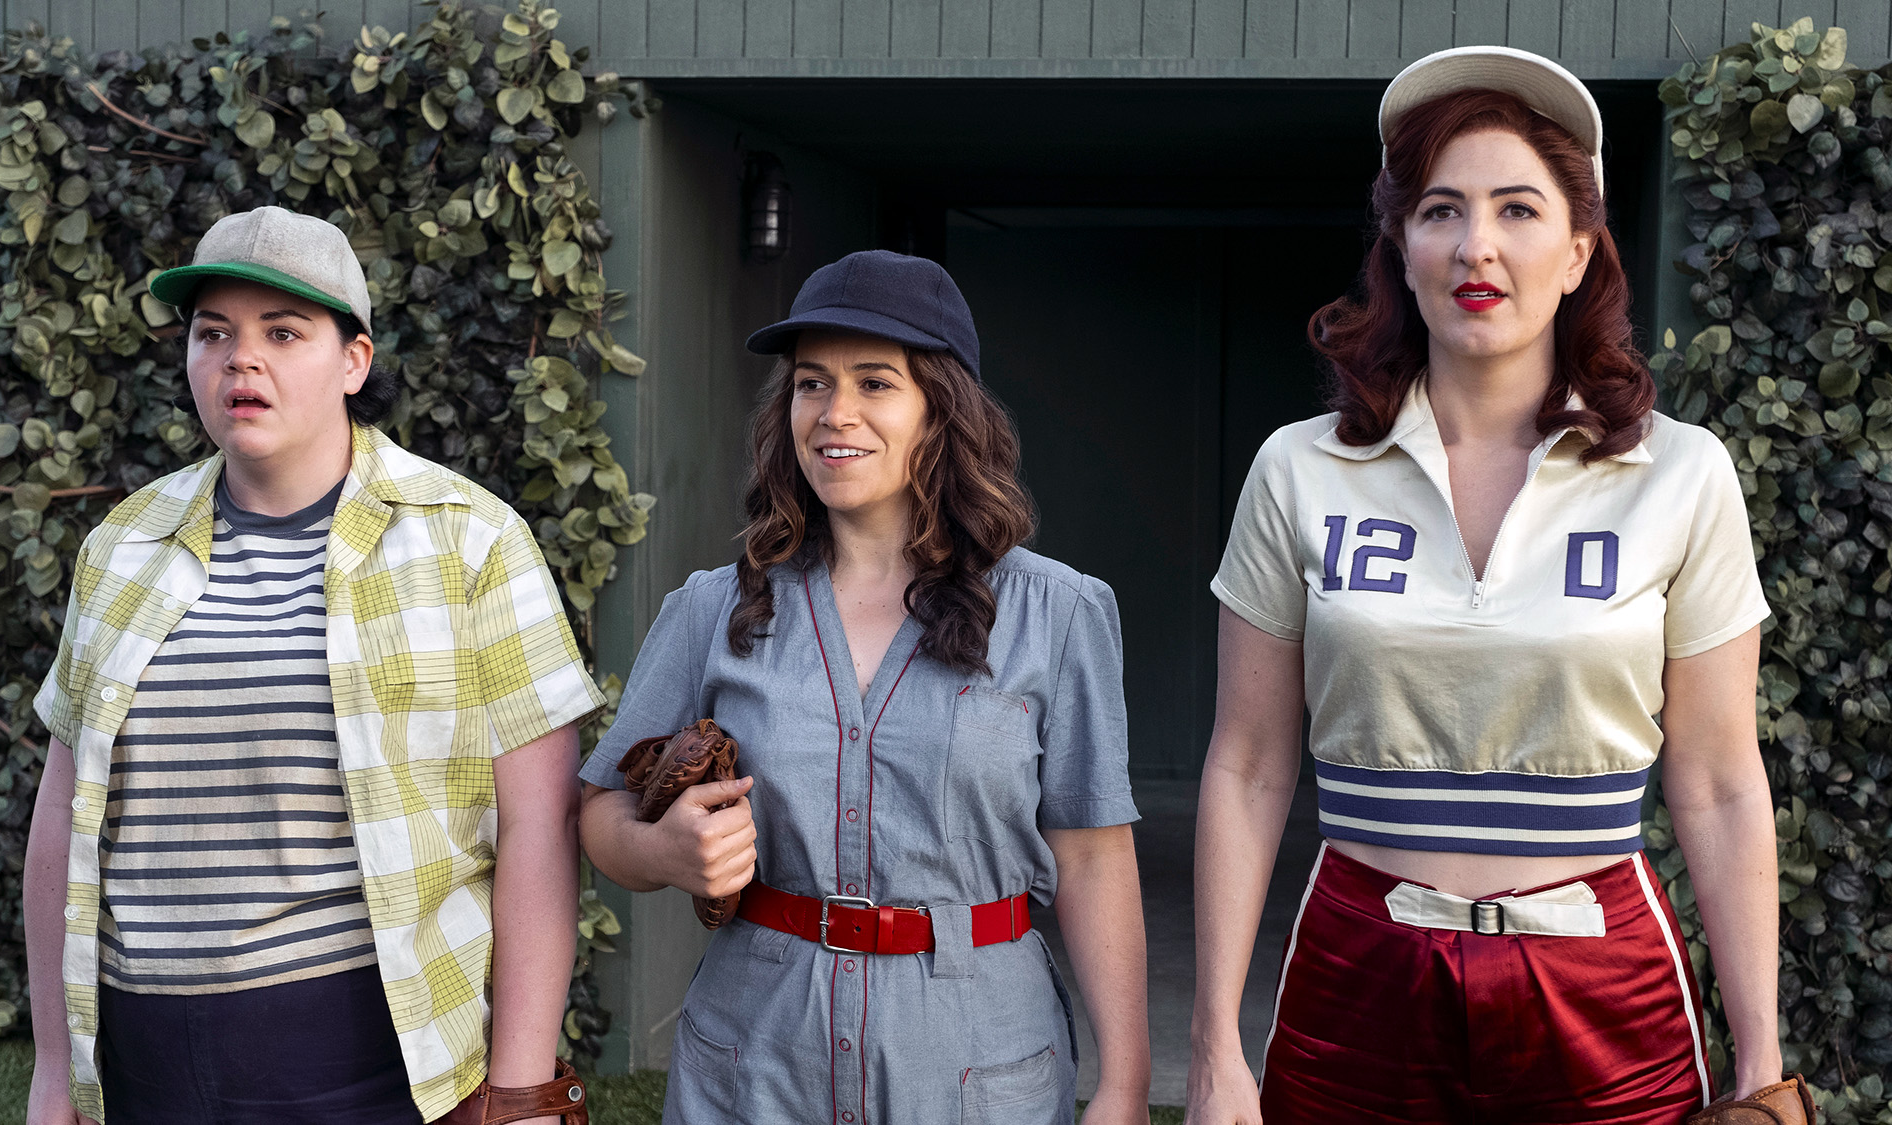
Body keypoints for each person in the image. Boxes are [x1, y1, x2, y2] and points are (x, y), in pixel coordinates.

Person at [1185, 47, 1781, 1124]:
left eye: (1516, 210)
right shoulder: (1298, 466)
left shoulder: (1681, 472)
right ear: (1398, 247)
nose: (1475, 247)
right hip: (1357, 971)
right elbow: (1246, 763)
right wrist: (1215, 1044)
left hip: (1604, 984)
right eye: (1438, 211)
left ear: (1576, 252)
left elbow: (1719, 782)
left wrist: (1760, 1065)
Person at [22, 207, 602, 1125]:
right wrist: (55, 1071)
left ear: (353, 361)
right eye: (214, 333)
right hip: (146, 1068)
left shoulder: (472, 540)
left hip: (367, 1063)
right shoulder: (122, 545)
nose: (239, 360)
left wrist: (521, 1090)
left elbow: (539, 825)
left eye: (283, 333)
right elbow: (62, 812)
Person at [577, 250, 1152, 1124]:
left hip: (974, 1063)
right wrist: (662, 853)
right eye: (812, 384)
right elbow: (600, 814)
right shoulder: (711, 607)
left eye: (875, 383)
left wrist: (1126, 1084)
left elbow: (1095, 856)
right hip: (755, 1056)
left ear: (940, 410)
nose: (834, 413)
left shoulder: (1059, 614)